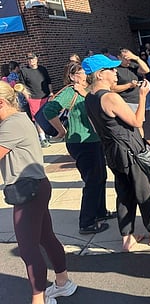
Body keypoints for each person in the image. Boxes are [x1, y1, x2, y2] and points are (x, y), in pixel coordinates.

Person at [0, 81, 77, 304]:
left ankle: (39, 299)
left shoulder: (11, 125)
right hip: (36, 187)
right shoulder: (19, 118)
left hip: (28, 191)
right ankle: (63, 283)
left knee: (28, 248)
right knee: (45, 237)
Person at [83, 54, 150, 252]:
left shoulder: (89, 98)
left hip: (111, 151)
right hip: (130, 149)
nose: (115, 72)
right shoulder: (110, 97)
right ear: (99, 74)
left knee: (124, 193)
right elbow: (137, 122)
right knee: (145, 189)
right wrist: (142, 96)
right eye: (111, 69)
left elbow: (96, 129)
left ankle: (127, 237)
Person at [42, 61, 115, 235]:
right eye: (82, 72)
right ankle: (86, 222)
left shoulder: (88, 90)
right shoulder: (70, 92)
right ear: (74, 76)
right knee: (92, 180)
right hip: (81, 142)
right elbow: (49, 110)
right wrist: (61, 130)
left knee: (100, 176)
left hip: (94, 140)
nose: (86, 75)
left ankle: (100, 211)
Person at [111, 48, 150, 137]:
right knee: (128, 126)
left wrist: (136, 58)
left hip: (137, 100)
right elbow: (112, 88)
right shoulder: (115, 70)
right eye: (125, 58)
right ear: (119, 57)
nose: (128, 60)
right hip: (124, 101)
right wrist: (128, 85)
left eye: (129, 58)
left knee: (139, 125)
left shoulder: (133, 66)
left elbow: (146, 70)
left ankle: (142, 144)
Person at [19, 52, 54, 148]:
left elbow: (48, 81)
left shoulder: (42, 69)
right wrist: (27, 96)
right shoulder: (24, 71)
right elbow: (22, 85)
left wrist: (51, 92)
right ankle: (42, 138)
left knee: (47, 115)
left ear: (37, 59)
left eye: (33, 59)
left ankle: (49, 133)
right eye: (29, 59)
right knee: (37, 118)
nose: (31, 61)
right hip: (33, 98)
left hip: (45, 95)